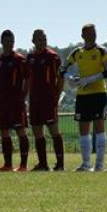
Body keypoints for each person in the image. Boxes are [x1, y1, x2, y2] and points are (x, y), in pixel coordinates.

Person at [65, 24, 107, 172]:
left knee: (99, 128)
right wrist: (70, 78)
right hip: (82, 95)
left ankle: (99, 165)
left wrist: (89, 80)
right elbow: (62, 69)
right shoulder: (76, 52)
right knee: (83, 130)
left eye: (94, 33)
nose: (92, 35)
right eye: (88, 33)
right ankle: (86, 164)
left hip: (98, 93)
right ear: (82, 35)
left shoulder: (102, 50)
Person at [27, 29, 65, 172]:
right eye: (39, 39)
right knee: (37, 132)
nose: (42, 41)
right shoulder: (30, 57)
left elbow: (60, 78)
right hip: (34, 100)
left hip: (48, 100)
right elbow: (29, 78)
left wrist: (56, 96)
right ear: (33, 41)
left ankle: (60, 164)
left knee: (54, 131)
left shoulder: (53, 57)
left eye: (44, 38)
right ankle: (43, 164)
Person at [0, 29, 30, 172]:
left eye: (11, 41)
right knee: (4, 131)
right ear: (1, 42)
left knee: (20, 131)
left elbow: (28, 79)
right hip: (3, 100)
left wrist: (23, 97)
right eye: (6, 41)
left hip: (17, 101)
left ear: (14, 42)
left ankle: (23, 165)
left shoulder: (20, 59)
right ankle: (7, 164)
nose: (9, 44)